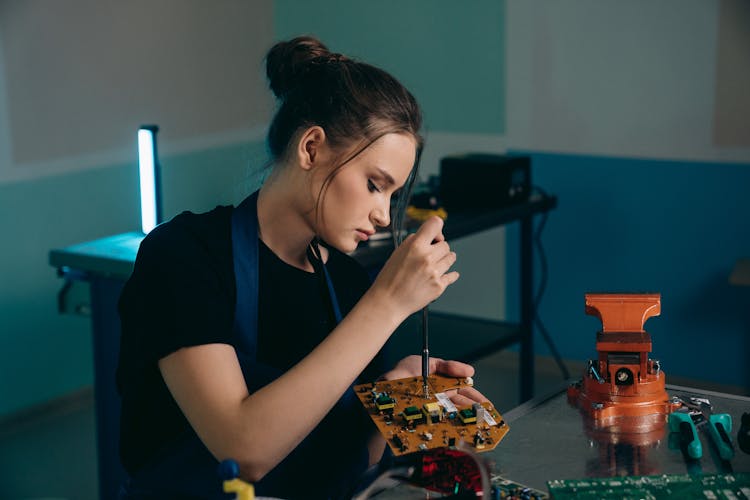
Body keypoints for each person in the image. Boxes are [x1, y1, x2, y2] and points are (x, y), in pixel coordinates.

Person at [116, 35, 487, 499]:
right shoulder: (185, 255)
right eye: (375, 185)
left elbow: (356, 462)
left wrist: (397, 398)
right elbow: (242, 448)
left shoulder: (348, 282)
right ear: (311, 148)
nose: (384, 215)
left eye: (394, 195)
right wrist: (388, 305)